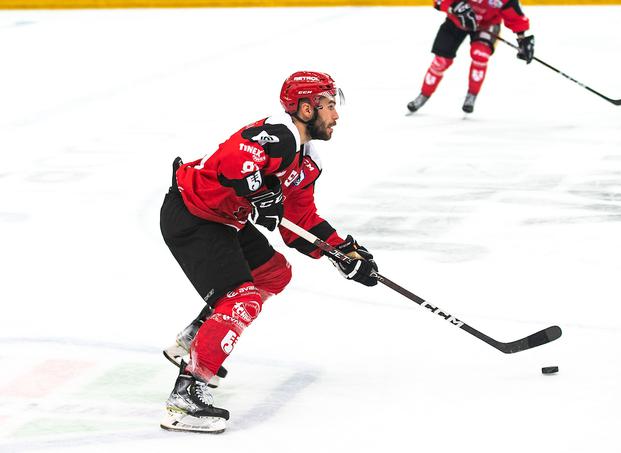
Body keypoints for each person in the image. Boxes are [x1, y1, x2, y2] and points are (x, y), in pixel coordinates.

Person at [158, 71, 379, 434]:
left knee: (275, 273)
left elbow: (300, 221)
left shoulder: (307, 162)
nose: (335, 115)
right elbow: (232, 161)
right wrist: (260, 192)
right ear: (306, 109)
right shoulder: (278, 135)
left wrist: (342, 252)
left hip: (224, 219)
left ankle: (197, 339)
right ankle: (186, 396)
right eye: (328, 105)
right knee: (241, 298)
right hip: (193, 214)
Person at [406, 0, 535, 114]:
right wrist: (455, 7)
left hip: (486, 25)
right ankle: (424, 95)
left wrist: (522, 39)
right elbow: (438, 1)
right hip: (456, 21)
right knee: (441, 61)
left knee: (480, 55)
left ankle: (472, 95)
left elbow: (514, 15)